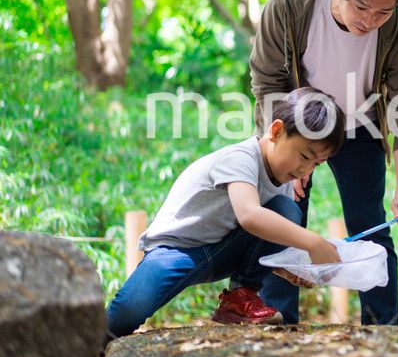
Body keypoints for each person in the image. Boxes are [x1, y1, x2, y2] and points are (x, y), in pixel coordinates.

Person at [249, 0, 398, 325]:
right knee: (282, 217)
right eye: (361, 7)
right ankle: (275, 322)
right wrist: (286, 148)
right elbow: (267, 80)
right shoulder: (290, 2)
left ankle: (382, 329)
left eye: (383, 12)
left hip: (360, 125)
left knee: (370, 227)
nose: (370, 20)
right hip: (296, 122)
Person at [105, 88, 346, 338]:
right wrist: (314, 242)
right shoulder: (241, 158)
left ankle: (240, 297)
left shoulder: (283, 180)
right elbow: (249, 216)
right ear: (276, 131)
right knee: (125, 314)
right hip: (175, 251)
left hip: (221, 252)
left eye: (317, 164)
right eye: (304, 156)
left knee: (286, 210)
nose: (306, 169)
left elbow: (259, 240)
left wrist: (286, 268)